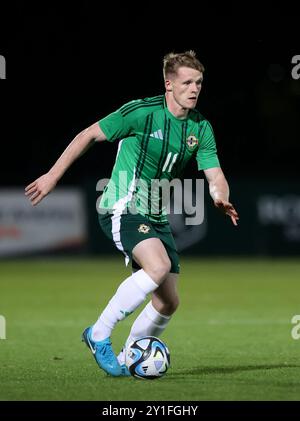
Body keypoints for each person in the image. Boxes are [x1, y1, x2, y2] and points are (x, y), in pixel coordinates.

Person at [25, 50, 239, 377]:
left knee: (168, 302)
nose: (194, 88)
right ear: (169, 84)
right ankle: (98, 333)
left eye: (198, 82)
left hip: (155, 215)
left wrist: (219, 197)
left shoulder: (201, 128)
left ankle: (129, 358)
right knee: (159, 266)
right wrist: (53, 176)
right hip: (122, 204)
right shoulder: (141, 113)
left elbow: (215, 175)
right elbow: (88, 135)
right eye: (186, 82)